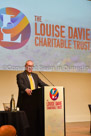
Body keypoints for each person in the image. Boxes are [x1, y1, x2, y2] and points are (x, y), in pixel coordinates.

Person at [16, 60, 48, 136]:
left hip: (35, 101)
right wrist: (26, 89)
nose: (30, 68)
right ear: (25, 66)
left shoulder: (35, 75)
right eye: (29, 66)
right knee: (26, 121)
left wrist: (51, 88)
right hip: (25, 101)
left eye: (32, 66)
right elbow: (20, 85)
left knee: (35, 121)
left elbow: (41, 84)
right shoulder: (20, 75)